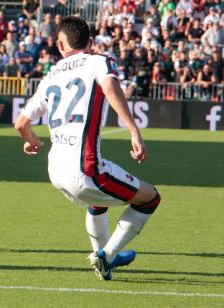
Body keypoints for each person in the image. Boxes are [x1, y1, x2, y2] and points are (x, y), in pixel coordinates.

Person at [14, 16, 161, 281]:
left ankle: (103, 259)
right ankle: (109, 255)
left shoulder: (51, 74)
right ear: (90, 42)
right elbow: (110, 86)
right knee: (150, 198)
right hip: (84, 168)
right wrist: (133, 131)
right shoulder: (99, 61)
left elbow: (21, 123)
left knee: (97, 203)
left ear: (60, 44)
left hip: (55, 170)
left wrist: (32, 141)